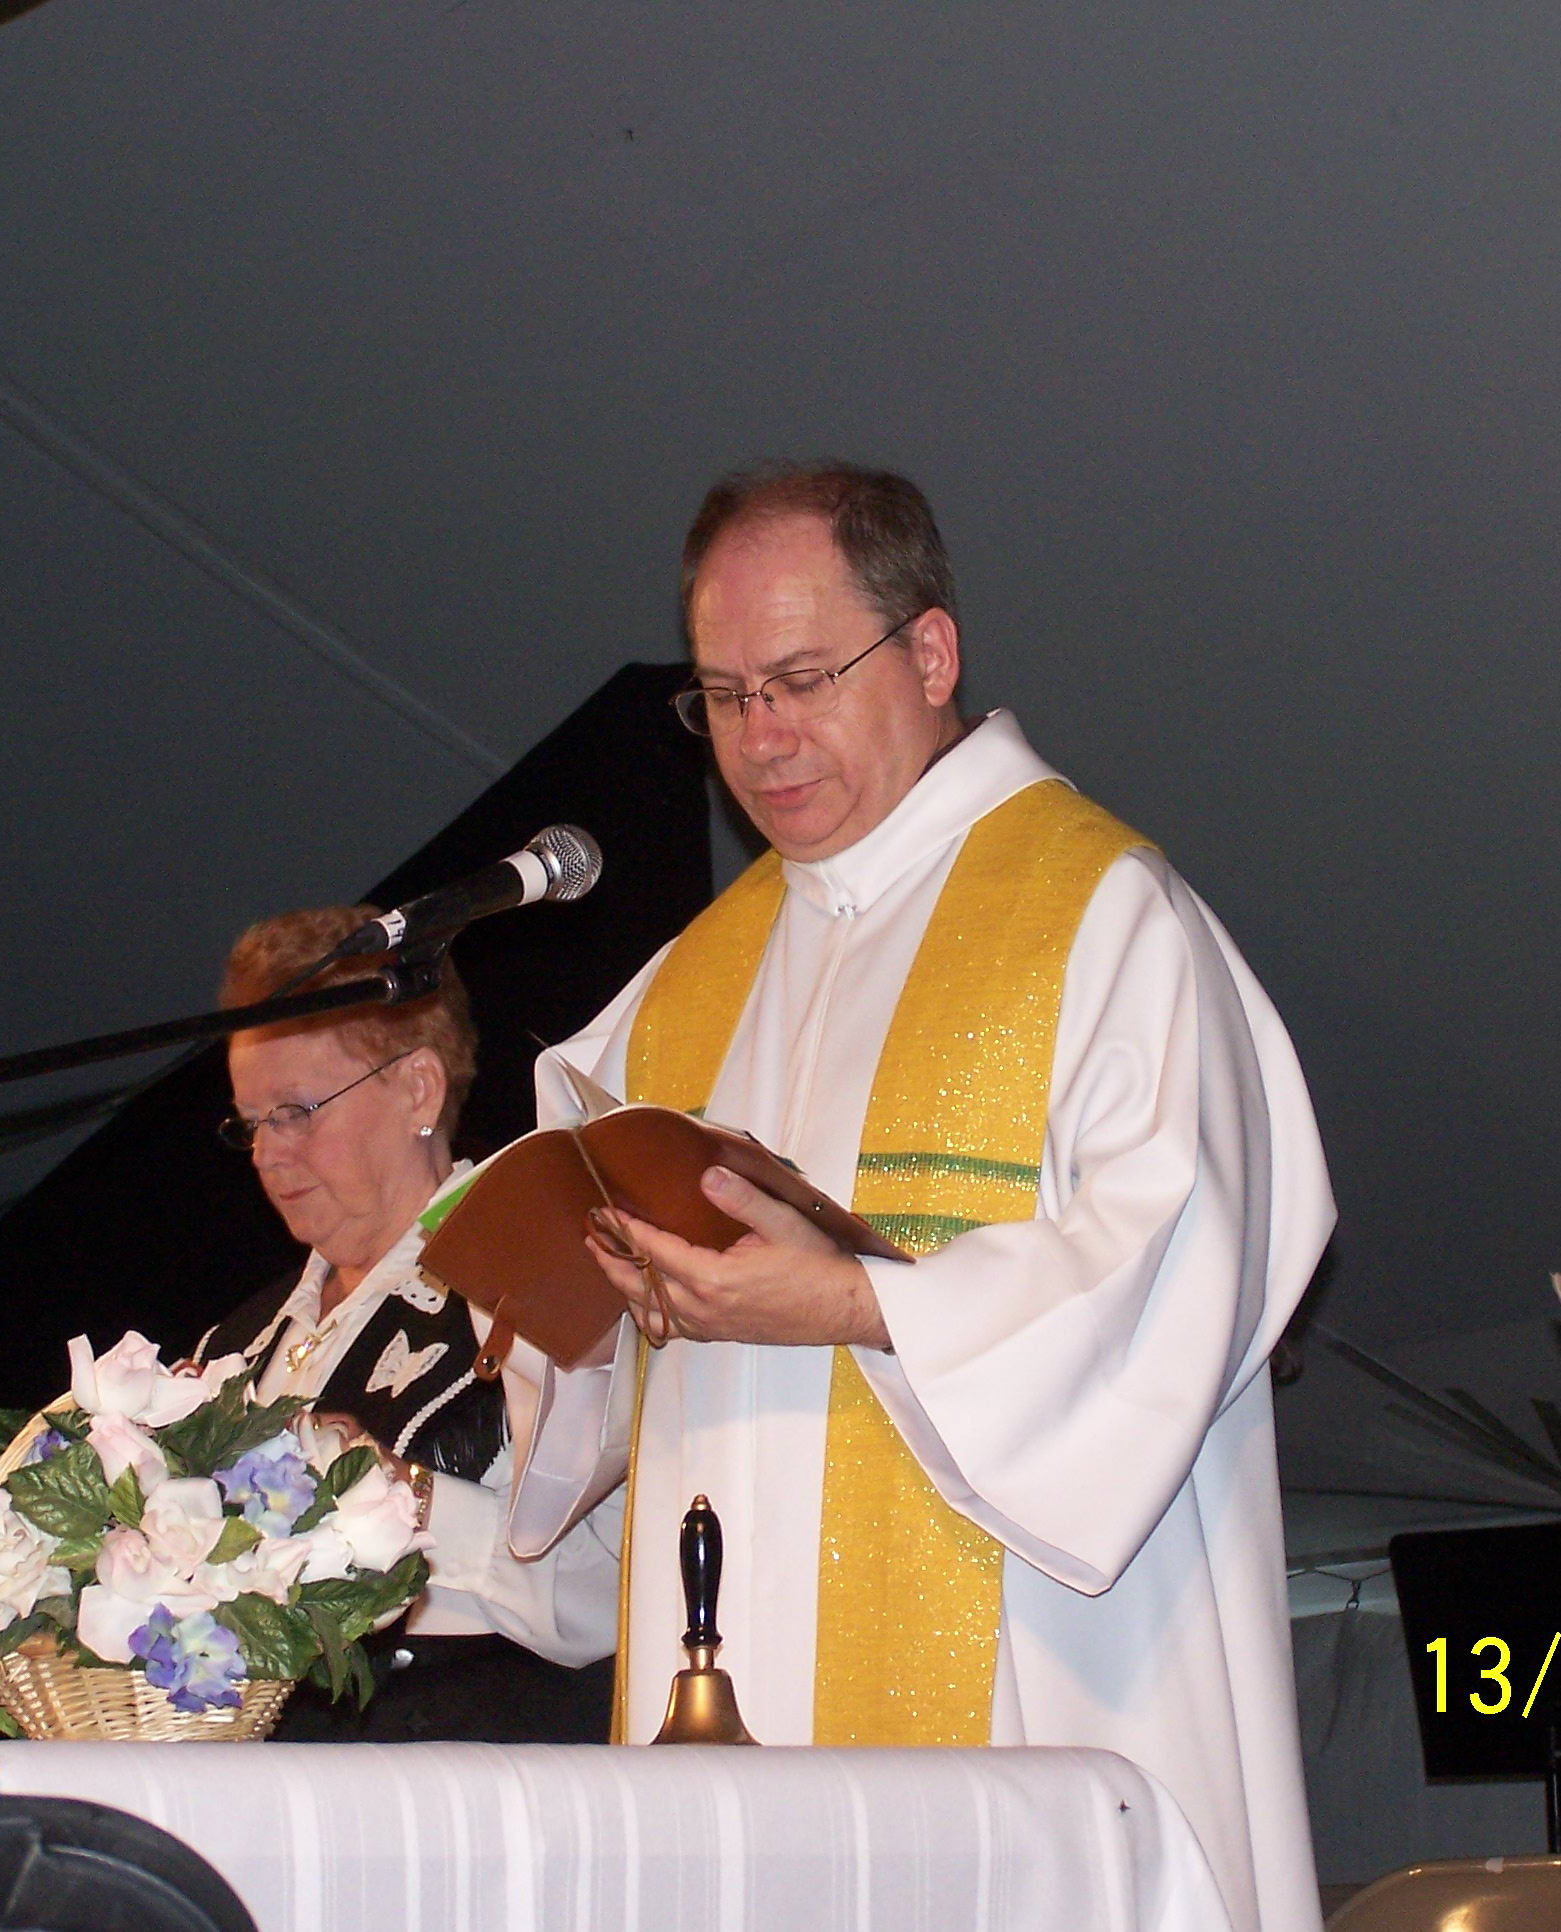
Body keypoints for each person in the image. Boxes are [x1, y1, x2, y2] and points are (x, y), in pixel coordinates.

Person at [502, 463, 1336, 1932]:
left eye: (800, 680)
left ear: (931, 652)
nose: (761, 739)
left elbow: (1184, 1258)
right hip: (736, 1655)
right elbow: (577, 1387)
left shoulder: (1098, 911)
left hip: (1042, 1666)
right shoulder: (685, 986)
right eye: (723, 697)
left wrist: (858, 1304)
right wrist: (585, 1301)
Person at [204, 907, 619, 1740]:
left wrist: (406, 1498)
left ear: (419, 1088)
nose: (267, 1153)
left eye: (296, 1111)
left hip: (467, 1777)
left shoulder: (535, 1284)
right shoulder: (230, 1352)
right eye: (251, 1122)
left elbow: (606, 1599)